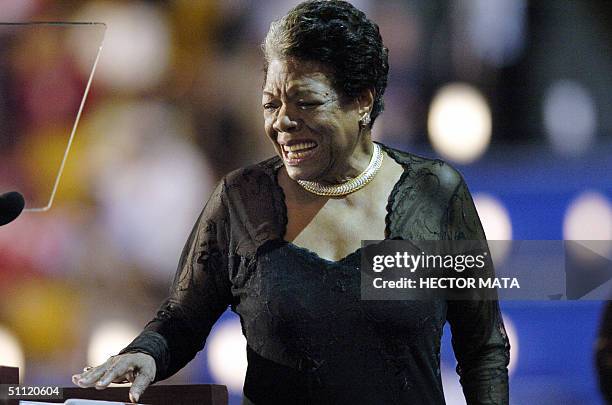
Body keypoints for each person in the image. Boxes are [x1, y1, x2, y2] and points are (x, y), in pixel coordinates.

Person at [72, 1, 510, 403]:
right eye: (271, 103)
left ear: (362, 101)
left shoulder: (437, 194)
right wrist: (147, 353)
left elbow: (483, 349)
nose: (282, 122)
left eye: (305, 102)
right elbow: (184, 317)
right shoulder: (241, 200)